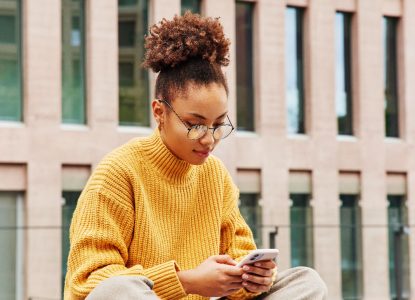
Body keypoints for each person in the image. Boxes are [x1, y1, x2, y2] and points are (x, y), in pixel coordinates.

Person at [64, 12, 327, 300]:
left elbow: (239, 253)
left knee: (306, 281)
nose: (209, 138)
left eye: (217, 125)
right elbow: (88, 282)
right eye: (195, 124)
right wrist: (185, 282)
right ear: (159, 112)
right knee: (116, 291)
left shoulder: (215, 175)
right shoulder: (118, 173)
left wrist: (253, 278)